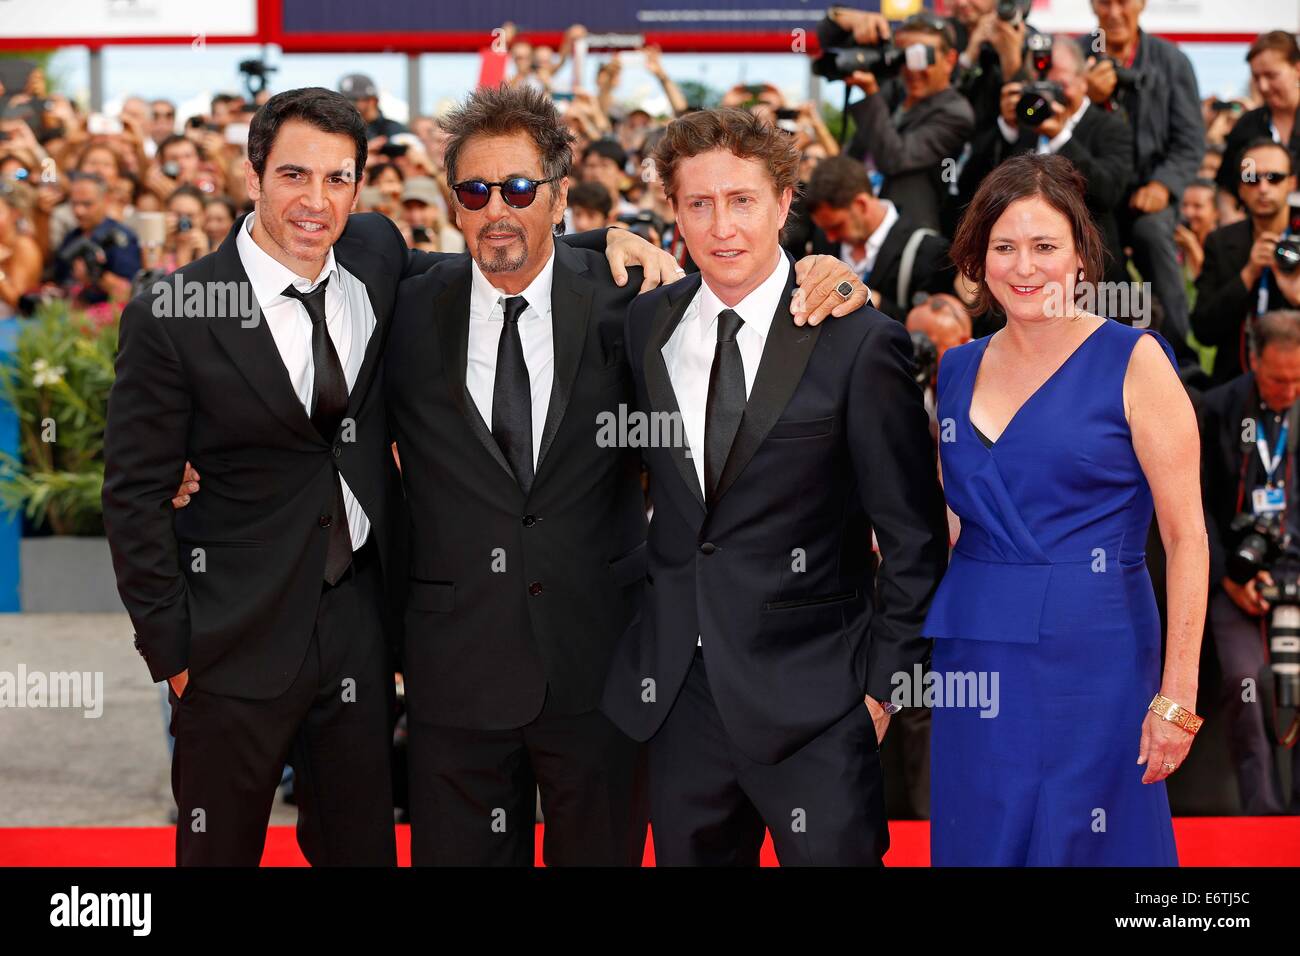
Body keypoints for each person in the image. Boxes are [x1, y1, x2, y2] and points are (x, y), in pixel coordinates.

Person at [104, 84, 683, 867]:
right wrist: (171, 655)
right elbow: (132, 494)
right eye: (293, 176)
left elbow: (509, 250)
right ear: (252, 177)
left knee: (360, 847)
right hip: (234, 637)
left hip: (373, 633)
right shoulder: (179, 308)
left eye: (337, 178)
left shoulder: (377, 260)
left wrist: (614, 235)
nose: (316, 200)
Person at [386, 86, 868, 867]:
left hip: (606, 668)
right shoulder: (403, 307)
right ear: (453, 202)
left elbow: (750, 337)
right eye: (475, 191)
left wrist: (836, 278)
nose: (497, 210)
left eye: (519, 189)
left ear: (560, 197)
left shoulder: (632, 305)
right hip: (454, 673)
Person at [601, 107, 948, 866]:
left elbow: (914, 536)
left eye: (743, 200)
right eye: (699, 203)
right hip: (680, 697)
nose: (722, 226)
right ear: (674, 211)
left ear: (785, 203)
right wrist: (600, 238)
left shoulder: (859, 341)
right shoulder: (646, 324)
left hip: (819, 702)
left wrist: (881, 691)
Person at [923, 152, 1207, 866]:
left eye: (1045, 246)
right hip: (975, 648)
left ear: (1081, 254)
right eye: (1005, 247)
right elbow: (954, 518)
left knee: (1088, 837)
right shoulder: (955, 366)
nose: (1025, 266)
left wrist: (1177, 695)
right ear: (977, 258)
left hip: (1098, 651)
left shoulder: (1134, 359)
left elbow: (1187, 537)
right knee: (979, 833)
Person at [1200, 309, 1300, 814]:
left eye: (1297, 379)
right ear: (1254, 360)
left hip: (1295, 569)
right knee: (1245, 683)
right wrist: (1225, 577)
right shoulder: (1219, 408)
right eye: (1277, 379)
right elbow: (1197, 508)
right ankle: (1264, 813)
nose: (1288, 389)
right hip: (1233, 576)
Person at [1084, 0, 1204, 364]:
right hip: (1093, 192)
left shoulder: (1172, 61)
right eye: (1105, 2)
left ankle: (1182, 360)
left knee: (1152, 234)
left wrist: (1164, 185)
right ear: (1092, 5)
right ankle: (1103, 356)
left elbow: (1190, 140)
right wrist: (1086, 99)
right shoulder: (1075, 57)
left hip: (1149, 190)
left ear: (1142, 4)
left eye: (1124, 1)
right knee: (1094, 247)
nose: (1115, 12)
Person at [969, 36, 1134, 286]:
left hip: (1092, 279)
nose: (1048, 96)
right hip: (1019, 273)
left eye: (1059, 85)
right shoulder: (1022, 124)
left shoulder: (1110, 127)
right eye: (1039, 85)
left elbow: (1108, 191)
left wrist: (1060, 138)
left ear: (1082, 81)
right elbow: (974, 188)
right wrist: (1006, 128)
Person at [844, 13, 975, 232]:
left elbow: (894, 159)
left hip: (909, 235)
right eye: (903, 56)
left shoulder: (955, 112)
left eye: (922, 56)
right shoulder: (891, 95)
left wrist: (870, 93)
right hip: (859, 227)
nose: (912, 68)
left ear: (950, 60)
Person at [1191, 139, 1300, 385]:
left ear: (1292, 184)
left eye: (1274, 178)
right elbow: (1203, 331)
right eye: (1252, 179)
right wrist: (1247, 275)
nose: (1262, 187)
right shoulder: (1220, 242)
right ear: (1241, 188)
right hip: (1237, 383)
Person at [804, 155, 956, 323]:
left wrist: (874, 301)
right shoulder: (823, 238)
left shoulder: (928, 250)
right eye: (825, 229)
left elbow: (936, 329)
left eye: (837, 226)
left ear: (861, 204)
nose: (831, 237)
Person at [1218, 32, 1300, 203]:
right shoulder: (1247, 126)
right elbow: (1226, 186)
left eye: (1271, 76)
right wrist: (1231, 216)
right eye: (1256, 77)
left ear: (1297, 69)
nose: (1263, 86)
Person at [52, 172, 140, 305]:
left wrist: (97, 276)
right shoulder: (72, 236)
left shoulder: (120, 237)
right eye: (74, 204)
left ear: (106, 200)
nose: (79, 211)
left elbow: (129, 292)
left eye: (87, 204)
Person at [1174, 178, 1219, 282]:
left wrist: (1192, 246)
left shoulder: (1227, 244)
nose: (1188, 212)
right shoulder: (1174, 241)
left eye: (1197, 206)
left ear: (1216, 212)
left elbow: (1211, 283)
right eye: (1184, 205)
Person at [339, 73, 408, 142]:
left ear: (372, 100)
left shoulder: (394, 130)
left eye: (354, 99)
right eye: (343, 99)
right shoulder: (342, 129)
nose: (347, 104)